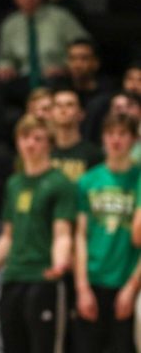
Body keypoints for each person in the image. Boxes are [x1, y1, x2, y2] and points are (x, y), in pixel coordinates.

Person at [0, 115, 76, 353]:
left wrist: (59, 263)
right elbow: (8, 236)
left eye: (38, 139)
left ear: (49, 143)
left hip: (43, 278)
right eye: (25, 137)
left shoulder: (60, 183)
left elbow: (62, 233)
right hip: (14, 277)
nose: (30, 144)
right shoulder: (14, 184)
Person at [0, 0, 88, 141]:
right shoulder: (10, 24)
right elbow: (6, 56)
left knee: (55, 81)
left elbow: (82, 42)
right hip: (24, 77)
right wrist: (5, 66)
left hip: (54, 75)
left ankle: (57, 137)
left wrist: (65, 65)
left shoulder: (60, 17)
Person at [74, 113, 141, 353]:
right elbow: (79, 236)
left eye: (123, 134)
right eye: (111, 134)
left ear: (134, 140)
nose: (116, 140)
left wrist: (132, 287)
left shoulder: (139, 179)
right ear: (103, 138)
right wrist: (82, 287)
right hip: (92, 281)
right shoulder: (87, 181)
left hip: (126, 282)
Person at [49, 89, 103, 183]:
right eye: (58, 105)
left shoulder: (94, 154)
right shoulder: (44, 152)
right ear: (51, 113)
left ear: (81, 114)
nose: (63, 110)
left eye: (69, 105)